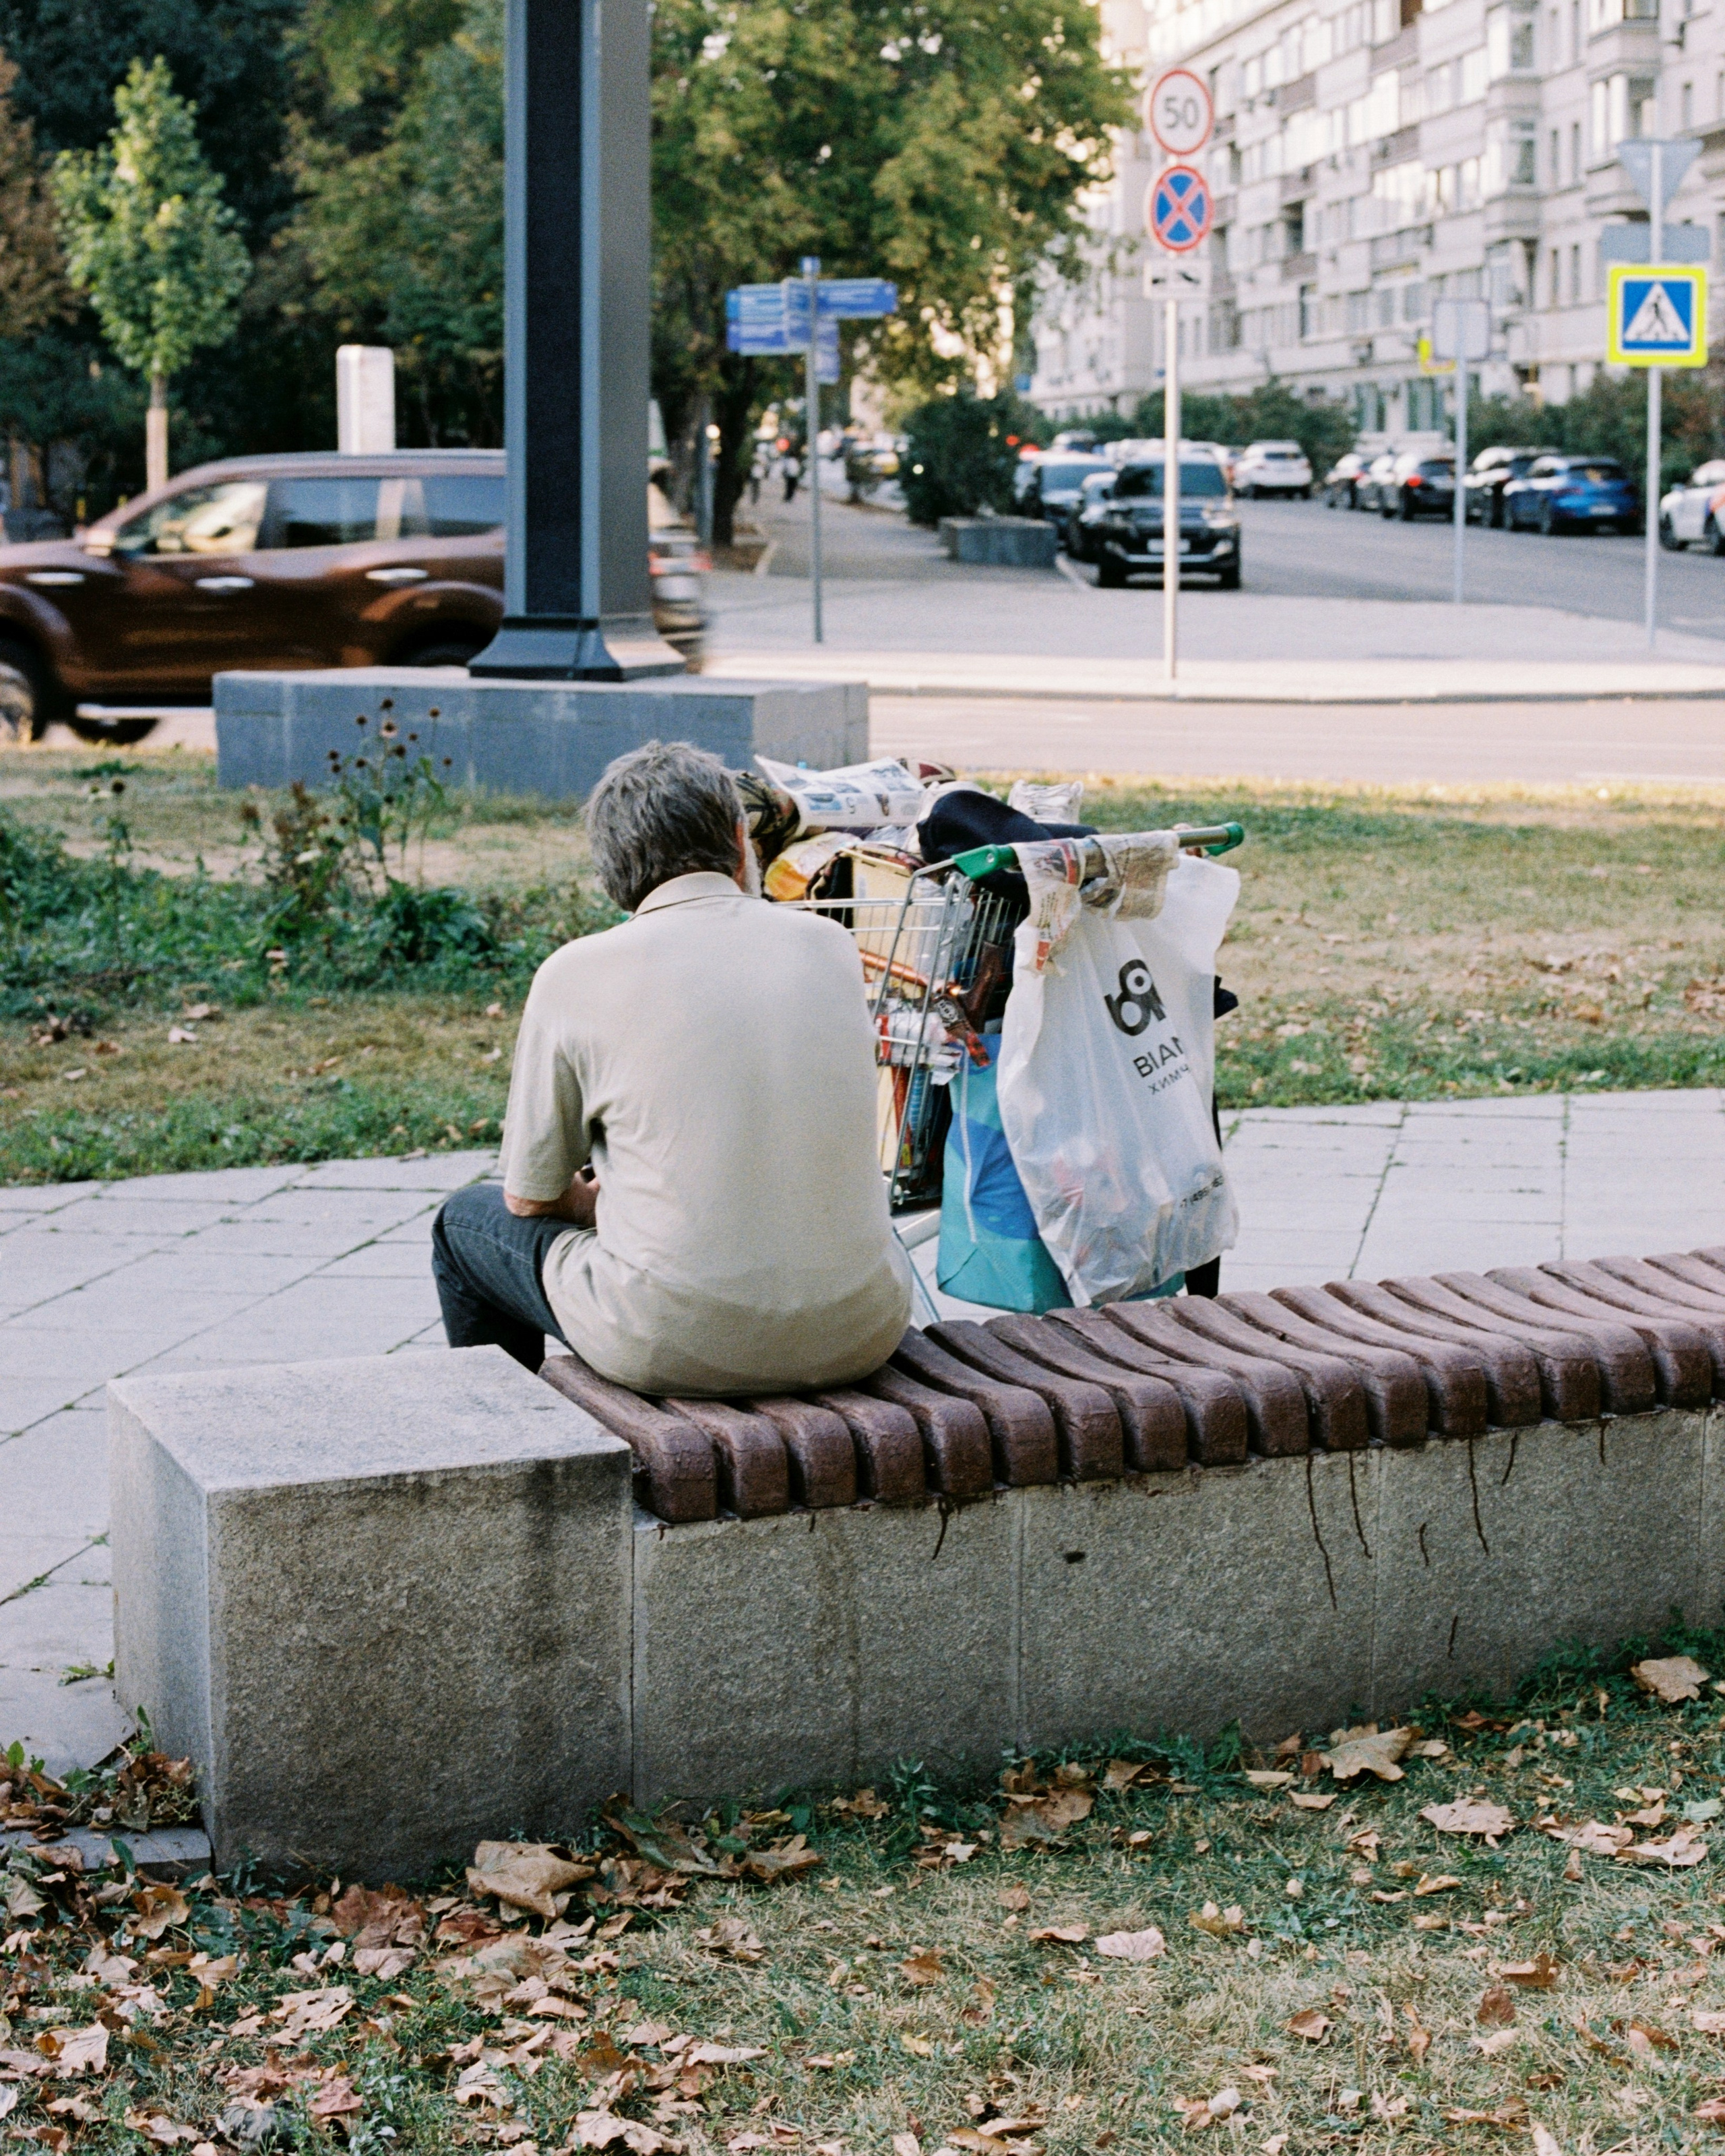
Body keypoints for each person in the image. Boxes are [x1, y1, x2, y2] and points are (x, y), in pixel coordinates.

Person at [431, 740, 913, 1395]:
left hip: (677, 1340)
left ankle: (510, 1438)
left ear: (611, 869)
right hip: (862, 1328)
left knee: (463, 1222)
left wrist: (600, 1200)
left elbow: (528, 1196)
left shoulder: (575, 972)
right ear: (740, 841)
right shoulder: (830, 945)